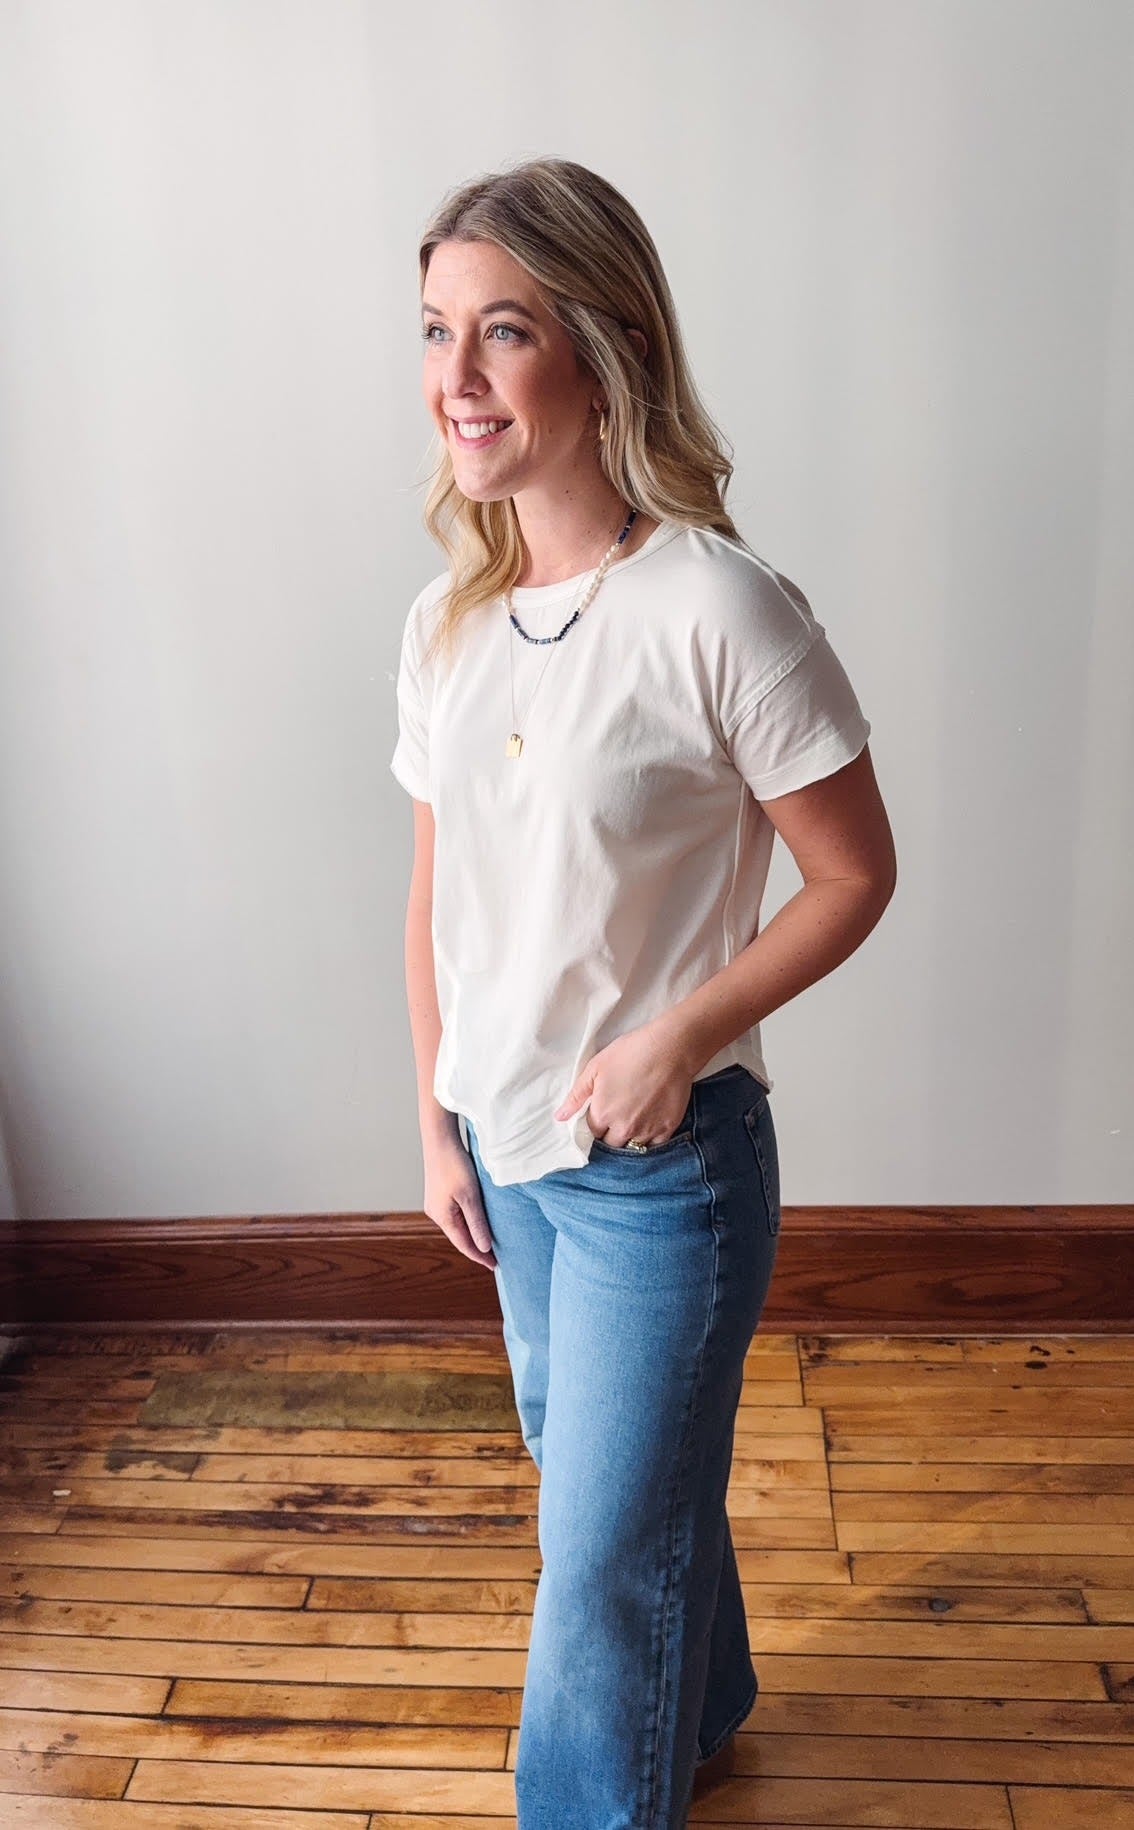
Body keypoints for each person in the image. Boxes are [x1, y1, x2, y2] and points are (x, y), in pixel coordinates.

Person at [390, 157, 896, 1830]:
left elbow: (852, 875)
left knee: (593, 1555)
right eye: (437, 331)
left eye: (503, 331)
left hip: (659, 1174)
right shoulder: (447, 624)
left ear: (600, 355)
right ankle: (715, 1698)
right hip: (505, 1148)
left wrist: (675, 1035)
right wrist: (435, 1111)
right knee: (607, 1489)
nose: (456, 378)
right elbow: (438, 889)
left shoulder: (717, 607)